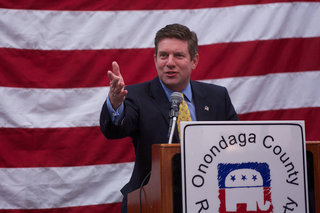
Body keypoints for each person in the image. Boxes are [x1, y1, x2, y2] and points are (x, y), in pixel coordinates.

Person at [100, 23, 239, 212]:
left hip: (209, 200)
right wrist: (115, 103)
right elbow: (115, 129)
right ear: (155, 58)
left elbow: (238, 144)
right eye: (163, 55)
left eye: (179, 55)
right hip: (152, 201)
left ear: (194, 60)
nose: (169, 62)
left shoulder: (217, 97)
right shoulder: (135, 96)